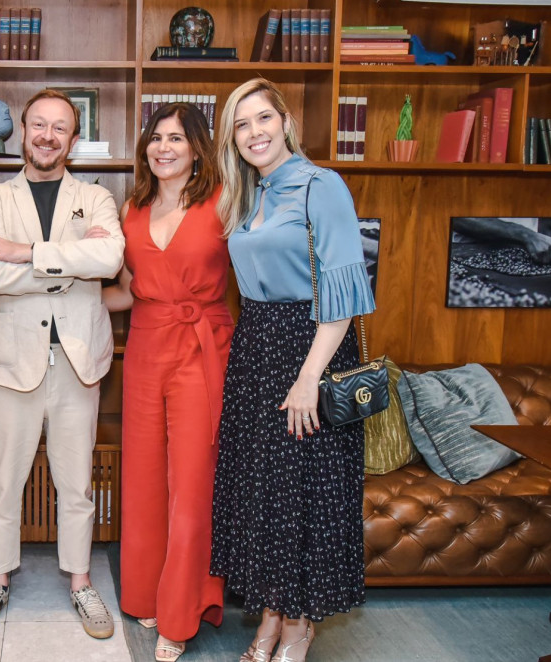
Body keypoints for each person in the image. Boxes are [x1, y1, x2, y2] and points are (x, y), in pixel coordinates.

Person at [209, 78, 375, 662]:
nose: (254, 132)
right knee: (264, 494)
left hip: (310, 349)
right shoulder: (245, 194)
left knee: (304, 496)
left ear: (285, 121)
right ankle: (271, 618)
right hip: (256, 349)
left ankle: (298, 626)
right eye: (241, 124)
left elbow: (343, 297)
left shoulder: (320, 186)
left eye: (263, 118)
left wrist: (308, 379)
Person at [0, 88, 125, 640]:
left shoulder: (96, 197)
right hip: (10, 362)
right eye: (39, 125)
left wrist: (25, 254)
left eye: (60, 127)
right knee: (5, 481)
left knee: (75, 483)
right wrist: (71, 266)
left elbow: (109, 258)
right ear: (23, 132)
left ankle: (80, 581)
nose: (48, 136)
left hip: (77, 361)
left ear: (73, 139)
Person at [102, 102, 232, 662]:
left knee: (192, 485)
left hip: (203, 348)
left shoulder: (225, 201)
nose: (163, 147)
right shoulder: (131, 208)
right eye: (156, 138)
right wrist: (56, 300)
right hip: (146, 348)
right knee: (145, 479)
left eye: (176, 138)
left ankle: (180, 614)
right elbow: (125, 291)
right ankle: (148, 594)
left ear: (197, 147)